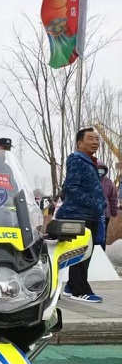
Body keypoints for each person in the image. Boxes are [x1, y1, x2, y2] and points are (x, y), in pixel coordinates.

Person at [57, 128, 106, 303]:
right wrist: (94, 203)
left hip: (90, 215)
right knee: (81, 253)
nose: (95, 142)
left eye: (97, 139)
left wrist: (100, 205)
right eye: (90, 138)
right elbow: (72, 187)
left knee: (86, 253)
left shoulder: (90, 162)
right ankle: (80, 290)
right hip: (78, 215)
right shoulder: (77, 160)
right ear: (79, 142)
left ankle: (71, 286)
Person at [96, 162, 118, 250]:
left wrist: (114, 211)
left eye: (102, 169)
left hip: (105, 214)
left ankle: (102, 251)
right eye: (99, 169)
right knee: (93, 234)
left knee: (103, 235)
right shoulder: (91, 180)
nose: (100, 171)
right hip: (92, 213)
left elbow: (113, 198)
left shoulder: (109, 182)